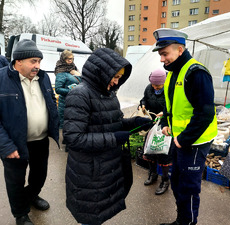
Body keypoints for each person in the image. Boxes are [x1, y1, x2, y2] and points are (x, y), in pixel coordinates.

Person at [63, 48, 152, 225]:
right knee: (91, 216)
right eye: (115, 76)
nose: (116, 81)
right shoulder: (80, 94)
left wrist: (134, 122)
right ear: (101, 72)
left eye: (119, 77)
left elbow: (114, 122)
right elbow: (73, 138)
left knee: (100, 213)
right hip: (89, 172)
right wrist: (113, 138)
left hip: (105, 167)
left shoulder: (108, 94)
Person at [152, 28, 218, 225]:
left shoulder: (196, 73)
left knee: (188, 188)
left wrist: (183, 139)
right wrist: (165, 122)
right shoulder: (173, 73)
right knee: (177, 183)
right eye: (161, 54)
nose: (162, 59)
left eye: (165, 54)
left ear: (180, 50)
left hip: (194, 142)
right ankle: (182, 221)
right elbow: (169, 104)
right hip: (180, 140)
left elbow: (205, 113)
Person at [0, 39, 59, 225]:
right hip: (14, 143)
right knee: (15, 182)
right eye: (33, 61)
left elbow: (51, 102)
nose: (37, 66)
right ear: (18, 61)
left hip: (40, 140)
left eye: (39, 61)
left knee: (39, 176)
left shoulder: (43, 77)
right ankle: (20, 213)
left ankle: (31, 196)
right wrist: (5, 146)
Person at [139, 68, 172, 195]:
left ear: (164, 82)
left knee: (163, 153)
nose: (155, 87)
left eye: (158, 85)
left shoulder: (170, 90)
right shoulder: (149, 88)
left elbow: (174, 106)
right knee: (150, 151)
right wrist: (142, 105)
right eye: (153, 84)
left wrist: (165, 113)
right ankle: (152, 174)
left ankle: (165, 180)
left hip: (165, 126)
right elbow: (144, 99)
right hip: (152, 125)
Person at [55, 50, 81, 129]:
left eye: (72, 59)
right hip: (65, 104)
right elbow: (58, 89)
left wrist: (78, 74)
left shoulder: (74, 69)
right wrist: (72, 91)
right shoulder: (60, 71)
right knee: (65, 127)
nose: (70, 60)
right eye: (68, 59)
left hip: (75, 102)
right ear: (63, 59)